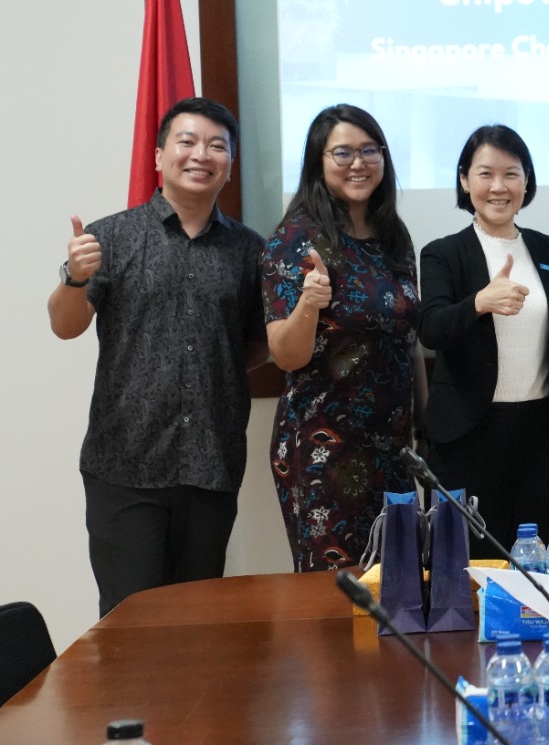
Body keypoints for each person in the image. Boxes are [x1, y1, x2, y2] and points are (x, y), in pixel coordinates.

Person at [48, 97, 266, 615]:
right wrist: (74, 278)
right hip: (124, 463)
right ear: (158, 156)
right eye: (187, 141)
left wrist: (212, 369)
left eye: (217, 146)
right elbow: (65, 325)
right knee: (129, 622)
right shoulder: (111, 236)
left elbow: (259, 343)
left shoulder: (250, 250)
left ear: (230, 164)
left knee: (197, 623)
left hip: (210, 464)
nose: (201, 155)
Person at [262, 104, 423, 572]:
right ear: (319, 161)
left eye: (370, 150)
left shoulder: (393, 235)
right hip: (325, 449)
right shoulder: (296, 239)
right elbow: (286, 356)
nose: (359, 163)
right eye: (343, 153)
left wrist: (425, 426)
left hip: (393, 447)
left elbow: (408, 339)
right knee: (336, 592)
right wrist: (308, 304)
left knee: (400, 587)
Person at [418, 125, 549, 559]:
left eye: (511, 174)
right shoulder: (442, 253)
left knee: (533, 563)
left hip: (539, 438)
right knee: (468, 564)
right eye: (485, 174)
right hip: (467, 437)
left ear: (527, 181)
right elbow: (431, 328)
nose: (499, 187)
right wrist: (479, 303)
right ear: (465, 180)